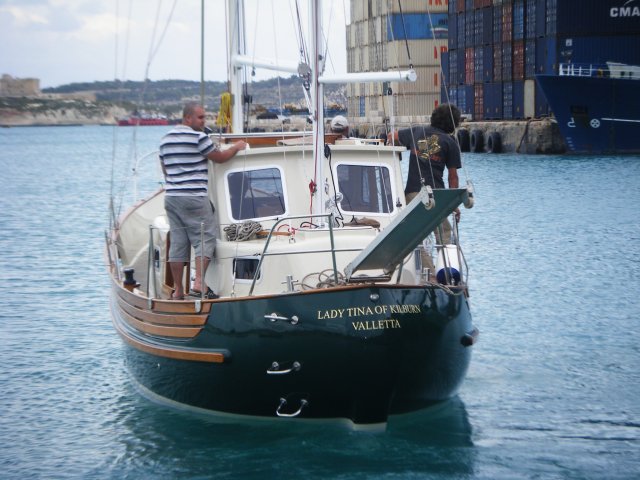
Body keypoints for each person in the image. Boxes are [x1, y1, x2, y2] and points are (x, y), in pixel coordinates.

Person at [159, 102, 247, 299]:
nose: (203, 121)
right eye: (200, 118)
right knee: (205, 238)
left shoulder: (165, 140)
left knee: (178, 243)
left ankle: (179, 291)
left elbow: (165, 169)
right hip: (194, 197)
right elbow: (220, 157)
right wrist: (237, 147)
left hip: (171, 197)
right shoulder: (199, 138)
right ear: (188, 118)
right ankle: (199, 283)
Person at [387, 104, 462, 276]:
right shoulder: (450, 143)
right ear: (453, 123)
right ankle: (447, 274)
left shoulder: (417, 132)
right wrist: (454, 204)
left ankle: (430, 273)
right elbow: (453, 177)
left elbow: (392, 137)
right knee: (445, 234)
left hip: (412, 194)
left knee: (415, 239)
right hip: (436, 196)